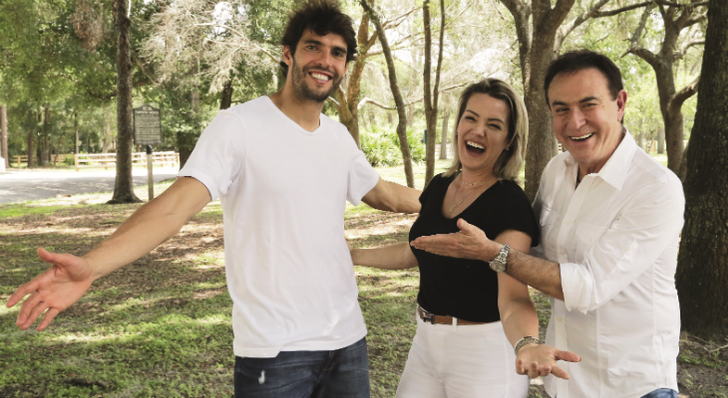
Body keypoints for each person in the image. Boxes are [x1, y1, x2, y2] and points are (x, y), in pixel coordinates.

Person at [5, 1, 420, 397]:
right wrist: (93, 265)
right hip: (275, 352)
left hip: (348, 341)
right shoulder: (238, 126)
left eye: (337, 53)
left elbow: (384, 195)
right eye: (314, 46)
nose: (325, 61)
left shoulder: (336, 137)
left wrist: (454, 197)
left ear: (344, 66)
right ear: (288, 54)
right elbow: (173, 208)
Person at [411, 50, 685, 398]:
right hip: (565, 382)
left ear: (620, 103)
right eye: (561, 109)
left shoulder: (655, 189)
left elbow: (587, 287)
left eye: (589, 105)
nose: (575, 122)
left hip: (631, 385)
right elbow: (533, 250)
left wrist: (493, 253)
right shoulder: (558, 170)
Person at [352, 79, 576, 398]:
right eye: (471, 118)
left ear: (509, 141)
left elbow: (513, 296)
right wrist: (353, 256)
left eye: (494, 125)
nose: (478, 130)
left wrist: (527, 343)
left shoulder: (509, 204)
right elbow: (418, 251)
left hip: (484, 352)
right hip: (425, 343)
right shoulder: (441, 185)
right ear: (458, 125)